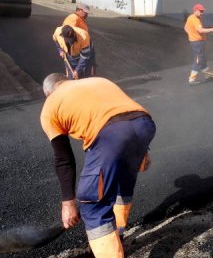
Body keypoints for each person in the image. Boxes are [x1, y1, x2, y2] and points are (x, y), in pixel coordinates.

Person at [40, 73, 156, 257]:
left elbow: (63, 158)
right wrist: (141, 150)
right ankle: (116, 234)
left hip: (111, 136)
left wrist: (68, 202)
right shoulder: (98, 81)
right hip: (144, 124)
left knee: (92, 203)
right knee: (121, 181)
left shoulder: (50, 106)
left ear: (48, 93)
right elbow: (124, 113)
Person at [184, 3, 213, 85]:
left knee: (202, 59)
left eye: (203, 11)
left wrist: (191, 34)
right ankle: (192, 79)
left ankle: (207, 76)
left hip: (196, 41)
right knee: (198, 60)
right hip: (197, 43)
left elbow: (186, 28)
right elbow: (200, 30)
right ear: (196, 10)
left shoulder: (191, 18)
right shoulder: (195, 19)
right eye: (201, 11)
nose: (202, 13)